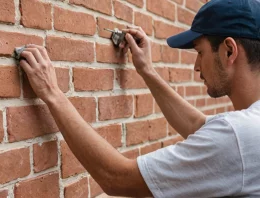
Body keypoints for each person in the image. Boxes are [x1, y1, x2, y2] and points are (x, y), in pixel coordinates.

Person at [18, 0, 260, 197]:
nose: (197, 66)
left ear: (229, 51)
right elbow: (199, 127)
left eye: (200, 52)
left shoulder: (239, 136)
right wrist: (147, 70)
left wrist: (52, 93)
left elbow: (117, 178)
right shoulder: (249, 128)